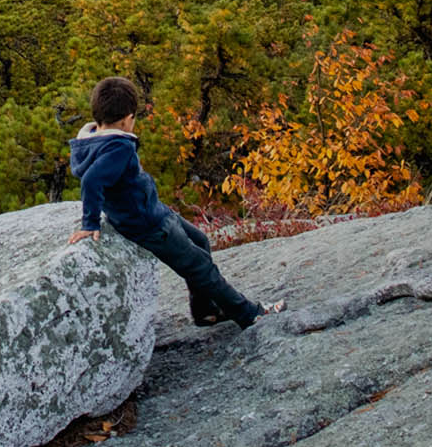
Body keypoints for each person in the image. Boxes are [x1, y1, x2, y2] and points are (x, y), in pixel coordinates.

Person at [67, 76, 278, 328]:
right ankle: (249, 314)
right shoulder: (117, 148)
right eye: (134, 118)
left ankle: (205, 311)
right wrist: (90, 223)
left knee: (200, 240)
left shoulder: (91, 139)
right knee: (200, 267)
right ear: (126, 119)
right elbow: (91, 180)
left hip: (150, 211)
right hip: (149, 225)